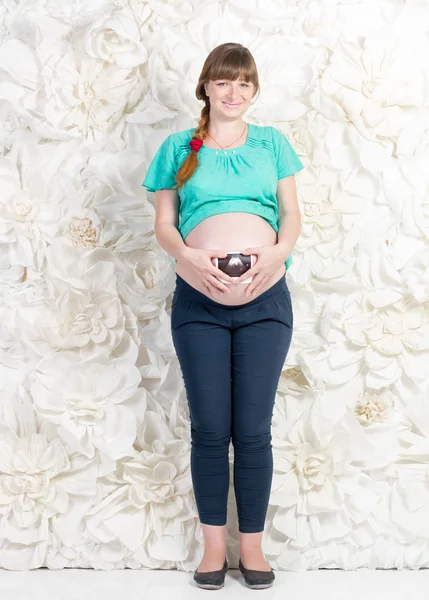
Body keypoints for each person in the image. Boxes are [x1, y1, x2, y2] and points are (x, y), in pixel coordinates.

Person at [142, 42, 304, 590]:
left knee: (253, 432)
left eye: (244, 84)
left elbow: (291, 217)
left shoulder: (272, 144)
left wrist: (275, 258)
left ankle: (252, 551)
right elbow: (165, 225)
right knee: (211, 431)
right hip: (198, 304)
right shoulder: (176, 148)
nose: (234, 93)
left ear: (253, 92)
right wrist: (188, 257)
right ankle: (214, 551)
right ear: (206, 87)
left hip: (266, 303)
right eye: (224, 82)